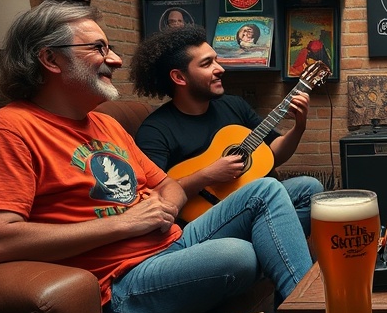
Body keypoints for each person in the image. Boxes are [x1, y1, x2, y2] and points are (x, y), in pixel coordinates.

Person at [0, 2, 313, 313]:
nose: (116, 60)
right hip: (121, 281)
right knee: (237, 253)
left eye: (111, 48)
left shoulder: (106, 125)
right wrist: (127, 223)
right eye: (99, 48)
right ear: (51, 58)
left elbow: (169, 186)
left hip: (172, 243)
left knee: (270, 190)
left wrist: (159, 207)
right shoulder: (8, 128)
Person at [130, 26, 324, 238]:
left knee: (310, 188)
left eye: (216, 59)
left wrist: (299, 127)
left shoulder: (233, 105)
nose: (220, 68)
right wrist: (207, 175)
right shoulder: (156, 130)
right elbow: (151, 197)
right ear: (179, 77)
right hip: (205, 218)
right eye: (207, 64)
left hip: (252, 199)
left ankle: (266, 240)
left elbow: (272, 154)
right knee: (269, 192)